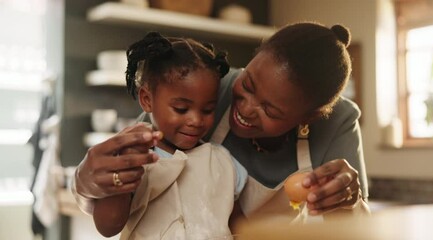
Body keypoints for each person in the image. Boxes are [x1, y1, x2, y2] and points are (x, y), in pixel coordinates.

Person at [73, 21, 370, 233]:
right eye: (249, 84)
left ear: (308, 118)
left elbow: (354, 229)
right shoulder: (208, 88)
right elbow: (111, 192)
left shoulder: (338, 122)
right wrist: (89, 180)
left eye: (270, 110)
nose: (246, 108)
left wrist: (347, 201)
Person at [89, 32, 248, 239]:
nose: (196, 120)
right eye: (181, 109)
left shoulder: (223, 163)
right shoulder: (136, 159)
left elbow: (242, 228)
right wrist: (124, 171)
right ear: (147, 99)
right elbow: (107, 226)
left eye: (208, 110)